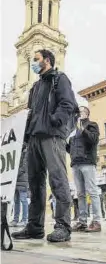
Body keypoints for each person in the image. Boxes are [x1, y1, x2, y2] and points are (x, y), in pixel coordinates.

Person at [12, 49, 78, 243]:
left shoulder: (59, 78)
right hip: (33, 139)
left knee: (57, 180)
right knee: (35, 184)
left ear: (47, 60)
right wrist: (25, 136)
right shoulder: (35, 87)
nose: (33, 63)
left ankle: (63, 226)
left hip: (51, 136)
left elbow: (68, 104)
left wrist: (54, 120)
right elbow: (31, 113)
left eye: (36, 59)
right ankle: (34, 227)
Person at [67, 106, 101, 232]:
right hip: (75, 163)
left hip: (87, 162)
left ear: (86, 114)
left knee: (92, 191)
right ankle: (82, 221)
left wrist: (83, 130)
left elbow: (94, 140)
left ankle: (97, 221)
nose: (78, 114)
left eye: (80, 112)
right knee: (80, 193)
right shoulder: (73, 130)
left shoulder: (92, 125)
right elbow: (70, 148)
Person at [10, 146, 29, 227]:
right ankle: (15, 219)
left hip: (23, 181)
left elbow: (24, 168)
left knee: (23, 200)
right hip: (15, 182)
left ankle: (24, 220)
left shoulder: (26, 153)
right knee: (16, 201)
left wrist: (14, 174)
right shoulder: (16, 152)